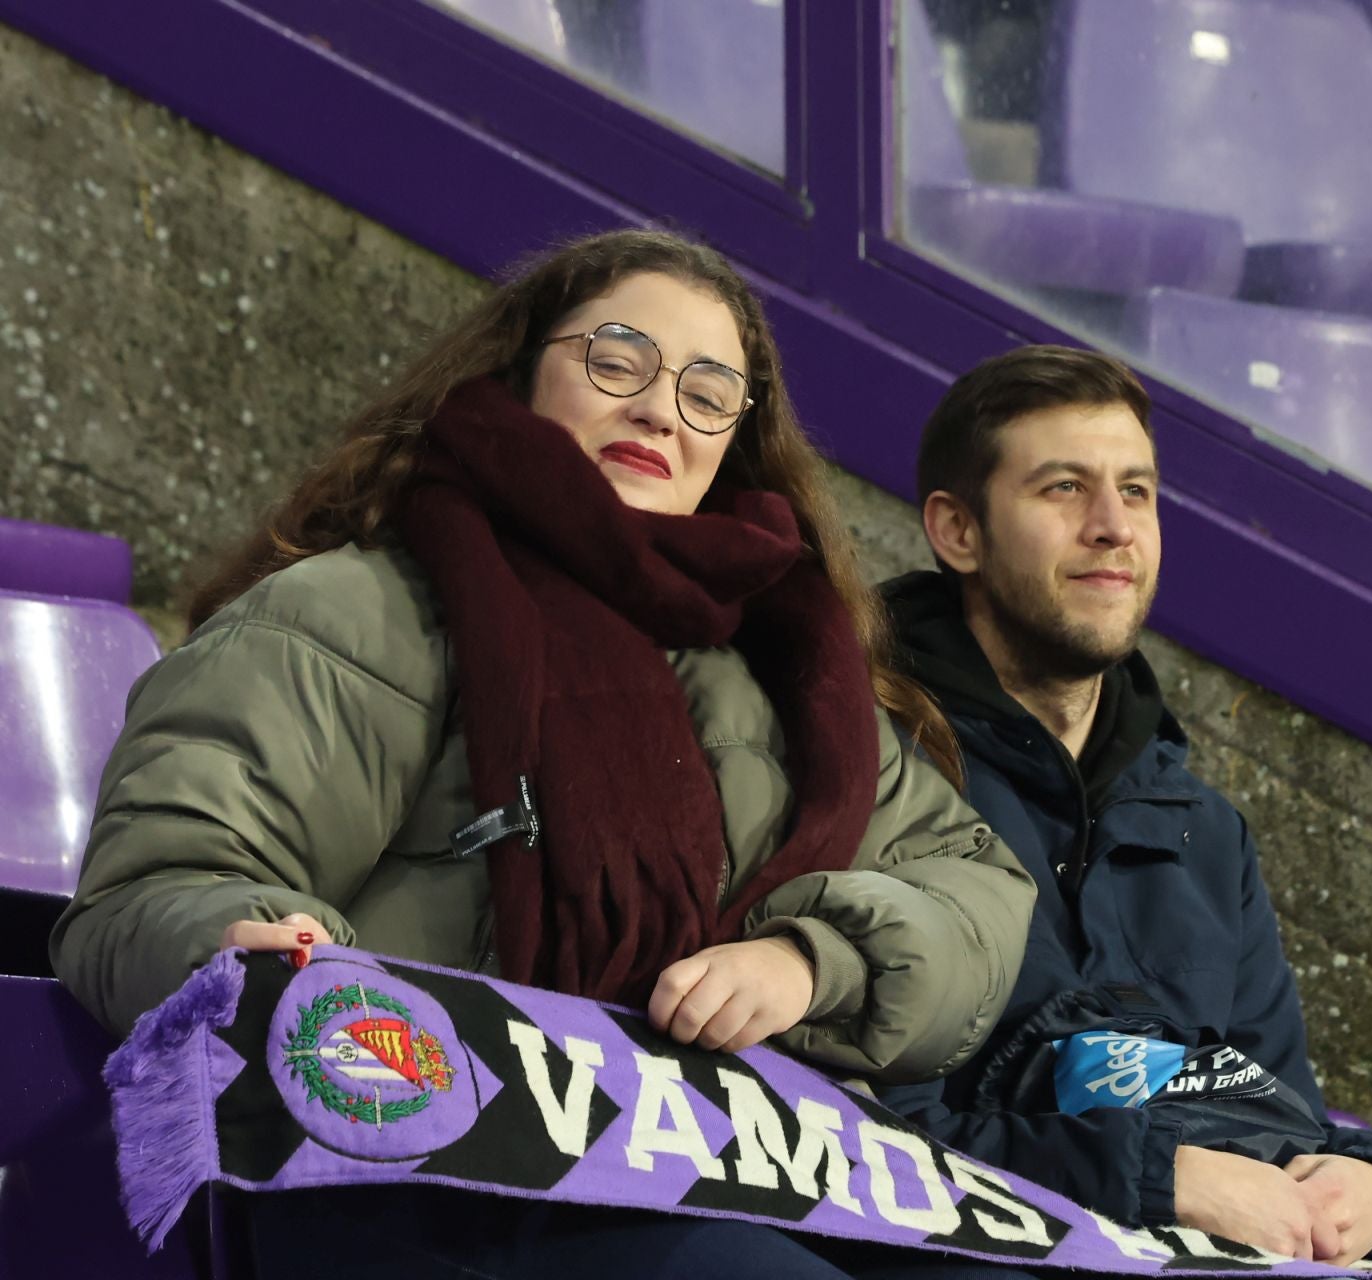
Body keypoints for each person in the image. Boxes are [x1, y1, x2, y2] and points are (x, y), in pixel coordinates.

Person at [49, 229, 1036, 1279]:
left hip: (740, 1152)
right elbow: (147, 887)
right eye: (618, 359)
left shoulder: (794, 665)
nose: (661, 408)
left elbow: (973, 888)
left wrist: (812, 959)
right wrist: (248, 941)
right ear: (521, 370)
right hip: (425, 1171)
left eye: (709, 392)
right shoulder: (351, 612)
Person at [877, 345, 1372, 1265]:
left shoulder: (1203, 832)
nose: (1112, 527)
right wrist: (1154, 1175)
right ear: (958, 532)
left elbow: (1278, 1109)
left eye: (1135, 492)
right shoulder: (874, 759)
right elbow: (834, 1136)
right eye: (1063, 488)